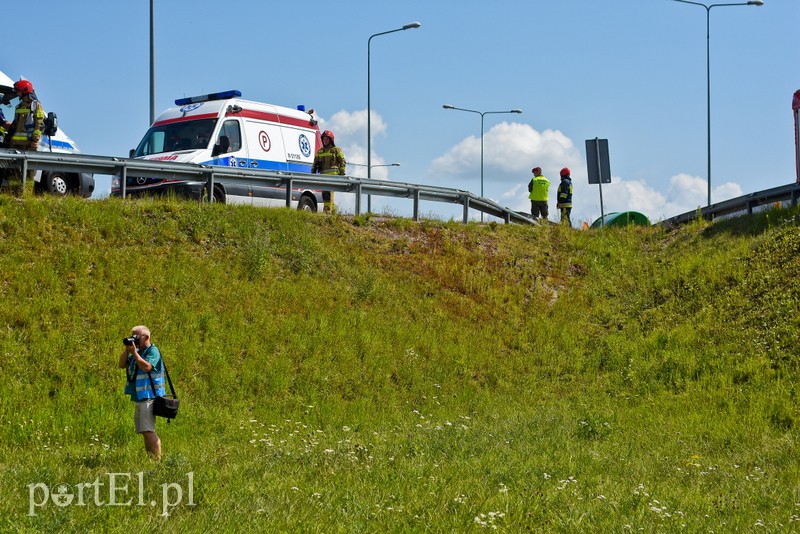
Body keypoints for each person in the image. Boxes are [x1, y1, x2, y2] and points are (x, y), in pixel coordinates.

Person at [117, 325, 164, 460]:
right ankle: (151, 459)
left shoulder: (152, 351)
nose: (134, 340)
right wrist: (128, 350)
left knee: (149, 431)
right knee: (144, 431)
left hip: (149, 397)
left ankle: (157, 462)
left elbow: (147, 367)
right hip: (139, 397)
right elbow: (121, 365)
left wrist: (135, 353)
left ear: (146, 337)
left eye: (136, 337)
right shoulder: (136, 352)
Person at [4, 79, 45, 195]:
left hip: (29, 144)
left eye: (18, 91)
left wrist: (35, 140)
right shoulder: (18, 106)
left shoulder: (36, 105)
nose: (17, 94)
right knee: (13, 170)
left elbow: (39, 125)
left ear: (24, 91)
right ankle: (14, 193)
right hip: (15, 144)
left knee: (30, 171)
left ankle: (26, 194)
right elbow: (15, 124)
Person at [310, 129, 346, 212]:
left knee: (329, 194)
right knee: (324, 194)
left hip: (333, 177)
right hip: (323, 176)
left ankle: (328, 211)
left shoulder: (336, 150)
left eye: (327, 139)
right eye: (324, 139)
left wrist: (342, 174)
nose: (325, 141)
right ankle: (331, 211)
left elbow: (342, 162)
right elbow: (315, 162)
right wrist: (313, 172)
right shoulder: (320, 151)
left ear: (331, 140)